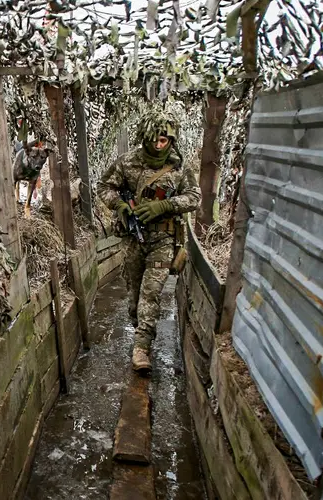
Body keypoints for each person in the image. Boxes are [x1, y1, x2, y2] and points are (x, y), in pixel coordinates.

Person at [97, 111, 201, 374]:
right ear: (145, 136)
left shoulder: (178, 167)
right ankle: (140, 330)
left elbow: (194, 197)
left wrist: (166, 205)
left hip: (164, 238)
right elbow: (103, 186)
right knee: (134, 297)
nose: (159, 145)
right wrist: (120, 205)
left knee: (151, 292)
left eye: (164, 140)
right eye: (154, 139)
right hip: (133, 239)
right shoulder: (127, 162)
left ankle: (142, 347)